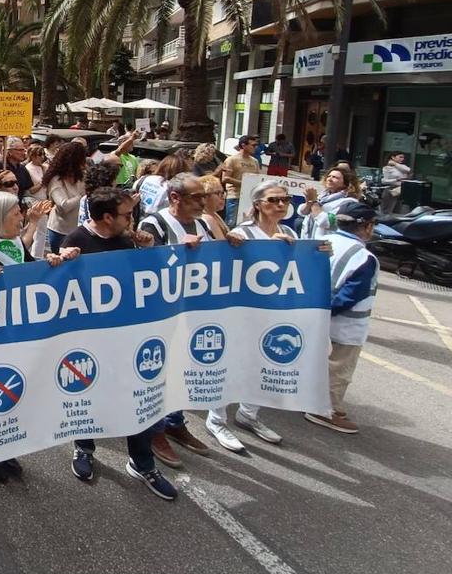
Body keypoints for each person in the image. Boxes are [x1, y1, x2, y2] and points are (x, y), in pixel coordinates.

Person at [0, 191, 76, 483]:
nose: (21, 217)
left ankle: (4, 448)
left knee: (8, 394)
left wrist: (53, 261)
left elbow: (31, 270)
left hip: (13, 333)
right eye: (15, 213)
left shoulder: (12, 245)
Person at [61, 188, 174, 499]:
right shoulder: (77, 241)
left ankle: (143, 463)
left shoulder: (129, 240)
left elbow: (149, 282)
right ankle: (84, 447)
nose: (132, 219)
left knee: (136, 397)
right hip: (90, 341)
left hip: (128, 339)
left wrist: (149, 251)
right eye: (127, 214)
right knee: (90, 394)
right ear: (107, 217)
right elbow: (56, 286)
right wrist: (59, 260)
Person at [138, 173, 243, 466]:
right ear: (175, 198)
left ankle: (174, 421)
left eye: (204, 196)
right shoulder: (154, 224)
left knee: (183, 368)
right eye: (197, 197)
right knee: (160, 372)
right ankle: (153, 430)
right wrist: (176, 251)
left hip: (193, 309)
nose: (204, 202)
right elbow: (143, 269)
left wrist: (228, 242)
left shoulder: (201, 223)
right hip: (162, 313)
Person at [205, 181, 299, 448]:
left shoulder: (290, 233)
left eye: (285, 199)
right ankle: (216, 419)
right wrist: (270, 247)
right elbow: (230, 270)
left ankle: (248, 414)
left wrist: (318, 252)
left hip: (273, 314)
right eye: (273, 200)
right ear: (258, 204)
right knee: (231, 366)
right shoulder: (241, 234)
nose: (280, 205)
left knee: (264, 365)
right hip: (241, 315)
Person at [304, 200, 379, 435]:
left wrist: (315, 312)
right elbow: (350, 295)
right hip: (346, 325)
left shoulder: (324, 243)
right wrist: (326, 311)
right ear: (367, 226)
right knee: (338, 370)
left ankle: (308, 399)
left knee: (315, 361)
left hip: (314, 316)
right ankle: (326, 411)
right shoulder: (364, 257)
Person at [44, 140, 87, 253]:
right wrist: (83, 195)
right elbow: (64, 206)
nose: (85, 162)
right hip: (61, 231)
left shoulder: (82, 177)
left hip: (79, 230)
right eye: (82, 159)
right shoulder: (56, 180)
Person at [299, 167, 357, 239]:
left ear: (345, 184)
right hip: (307, 239)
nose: (330, 179)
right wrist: (309, 202)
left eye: (335, 177)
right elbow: (302, 212)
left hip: (326, 244)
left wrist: (314, 201)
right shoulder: (322, 196)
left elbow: (328, 222)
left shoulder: (349, 202)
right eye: (329, 176)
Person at [218, 134, 260, 225]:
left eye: (256, 145)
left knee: (248, 223)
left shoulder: (255, 161)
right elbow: (225, 178)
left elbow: (257, 178)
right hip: (235, 196)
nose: (255, 148)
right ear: (244, 145)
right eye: (253, 145)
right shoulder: (231, 160)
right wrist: (244, 183)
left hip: (250, 197)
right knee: (231, 223)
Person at [196, 174, 229, 241]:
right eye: (218, 193)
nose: (222, 197)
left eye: (223, 193)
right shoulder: (207, 218)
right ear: (204, 197)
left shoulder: (214, 214)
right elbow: (222, 245)